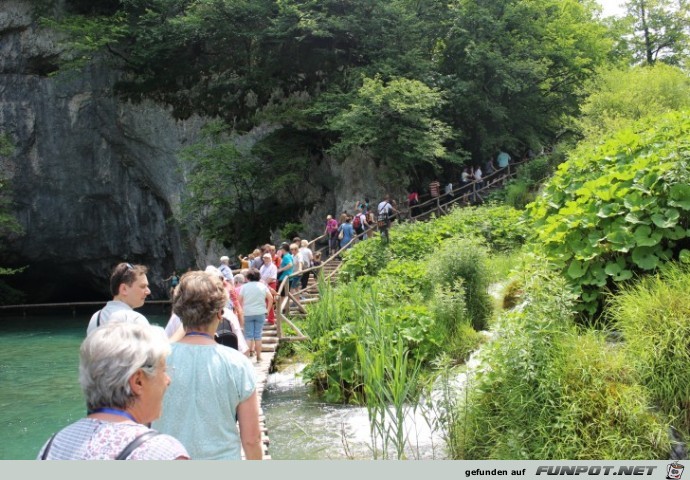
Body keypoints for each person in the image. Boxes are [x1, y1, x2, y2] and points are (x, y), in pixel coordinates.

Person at [37, 322, 189, 460]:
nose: (168, 380)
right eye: (163, 370)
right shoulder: (162, 452)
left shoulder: (53, 446)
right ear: (138, 381)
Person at [152, 271, 262, 460]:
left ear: (179, 312)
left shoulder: (156, 359)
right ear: (220, 313)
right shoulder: (238, 364)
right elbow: (251, 440)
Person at [86, 262, 151, 336]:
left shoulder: (95, 318)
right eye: (143, 286)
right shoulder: (135, 319)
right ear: (124, 289)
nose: (148, 291)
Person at [239, 268, 273, 361]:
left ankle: (246, 359)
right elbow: (270, 298)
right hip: (260, 313)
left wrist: (241, 311)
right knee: (258, 335)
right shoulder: (263, 286)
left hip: (247, 313)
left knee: (248, 336)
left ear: (248, 277)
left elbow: (239, 301)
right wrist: (267, 310)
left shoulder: (244, 287)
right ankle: (259, 357)